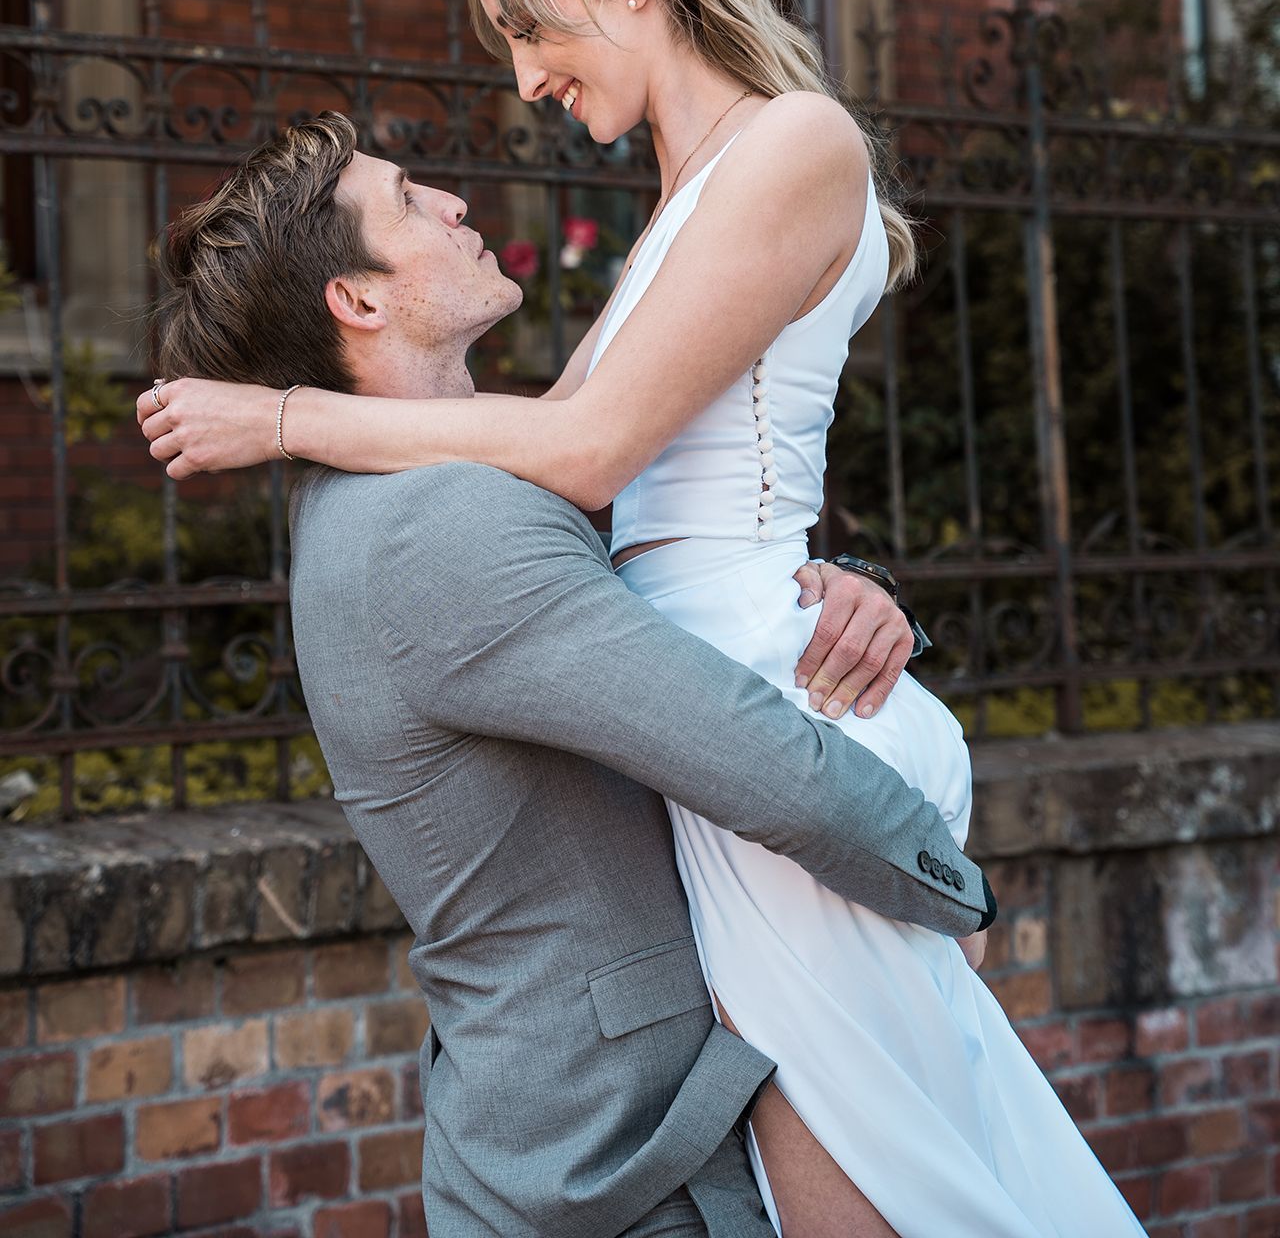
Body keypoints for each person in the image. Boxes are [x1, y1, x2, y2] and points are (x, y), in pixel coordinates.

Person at [140, 0, 1144, 1238]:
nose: (523, 82)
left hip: (775, 698)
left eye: (528, 31)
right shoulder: (673, 215)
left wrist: (290, 414)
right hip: (750, 706)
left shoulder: (794, 140)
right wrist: (294, 414)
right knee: (921, 1158)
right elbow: (584, 445)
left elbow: (596, 455)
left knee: (899, 1161)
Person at [143, 110, 995, 1238]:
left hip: (614, 1136)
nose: (453, 203)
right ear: (358, 300)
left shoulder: (417, 494)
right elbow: (762, 765)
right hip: (617, 1165)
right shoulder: (435, 527)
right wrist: (955, 895)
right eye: (407, 200)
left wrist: (837, 585)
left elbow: (647, 606)